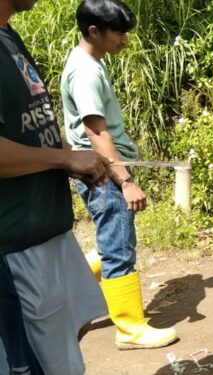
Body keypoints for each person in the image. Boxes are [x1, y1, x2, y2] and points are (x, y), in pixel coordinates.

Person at [0, 0, 112, 372]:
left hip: (49, 227)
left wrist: (73, 158)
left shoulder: (9, 36)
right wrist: (64, 159)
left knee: (66, 350)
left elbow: (32, 128)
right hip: (15, 243)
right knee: (35, 361)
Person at [61, 0, 176, 349]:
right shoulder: (85, 70)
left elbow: (104, 124)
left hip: (104, 169)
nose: (125, 40)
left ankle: (69, 290)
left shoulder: (90, 61)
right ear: (94, 31)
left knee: (113, 241)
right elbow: (96, 131)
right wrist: (125, 179)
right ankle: (129, 328)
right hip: (104, 175)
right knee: (118, 247)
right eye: (119, 33)